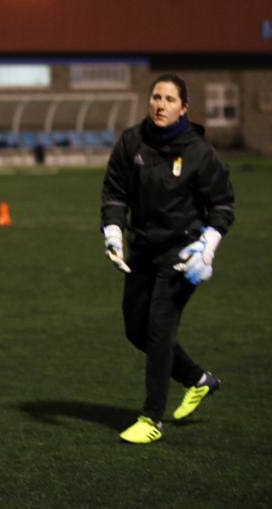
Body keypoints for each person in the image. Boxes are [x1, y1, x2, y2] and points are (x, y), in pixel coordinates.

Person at [100, 74, 235, 444]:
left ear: (184, 108)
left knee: (159, 329)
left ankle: (151, 418)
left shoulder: (199, 152)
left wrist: (208, 244)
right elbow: (114, 192)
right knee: (135, 329)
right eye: (156, 97)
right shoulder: (132, 142)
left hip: (182, 252)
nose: (160, 104)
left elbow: (222, 204)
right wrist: (113, 231)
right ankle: (197, 379)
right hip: (143, 247)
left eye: (169, 99)